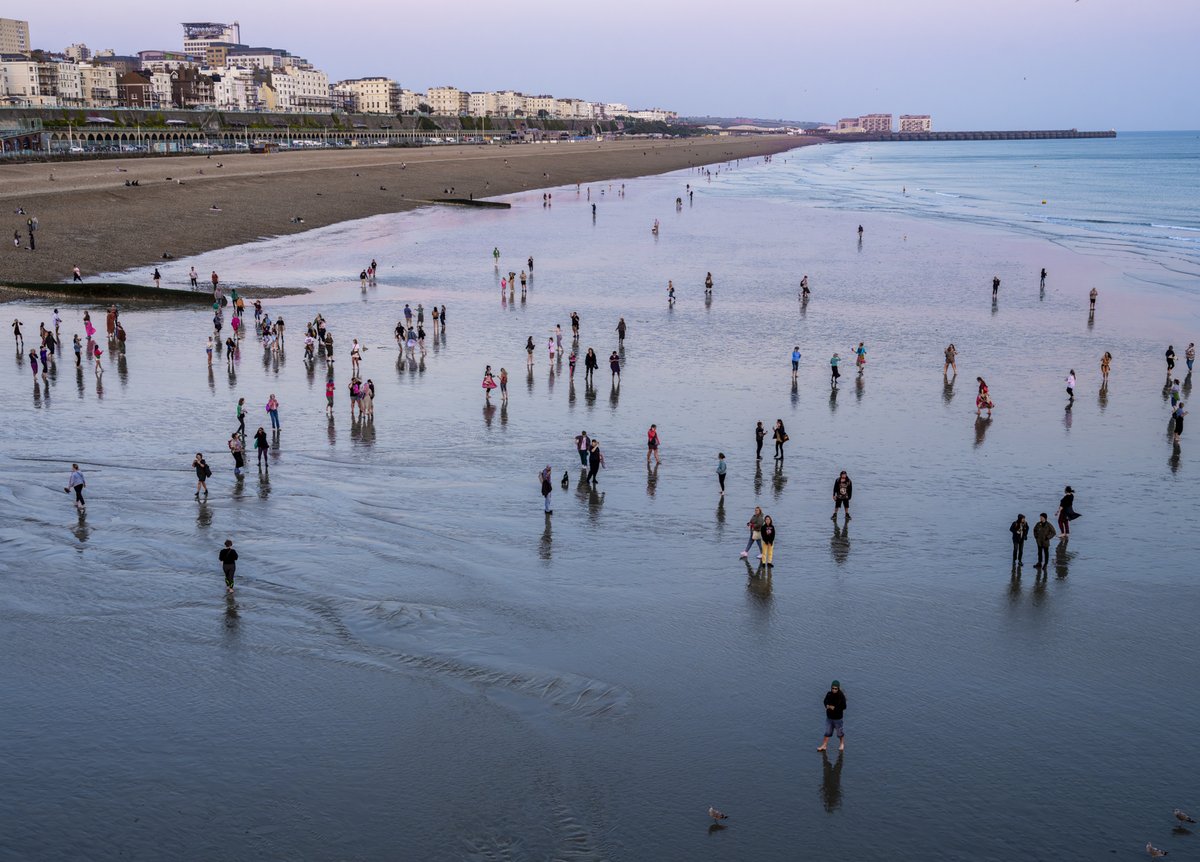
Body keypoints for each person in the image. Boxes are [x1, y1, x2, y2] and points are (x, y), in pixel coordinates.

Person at [817, 682, 846, 752]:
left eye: (835, 688)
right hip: (829, 717)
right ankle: (824, 745)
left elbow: (844, 706)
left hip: (838, 718)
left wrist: (834, 708)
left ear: (838, 688)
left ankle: (842, 744)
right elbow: (825, 701)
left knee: (839, 733)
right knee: (827, 732)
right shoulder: (829, 694)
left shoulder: (841, 696)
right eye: (832, 688)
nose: (834, 690)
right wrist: (826, 705)